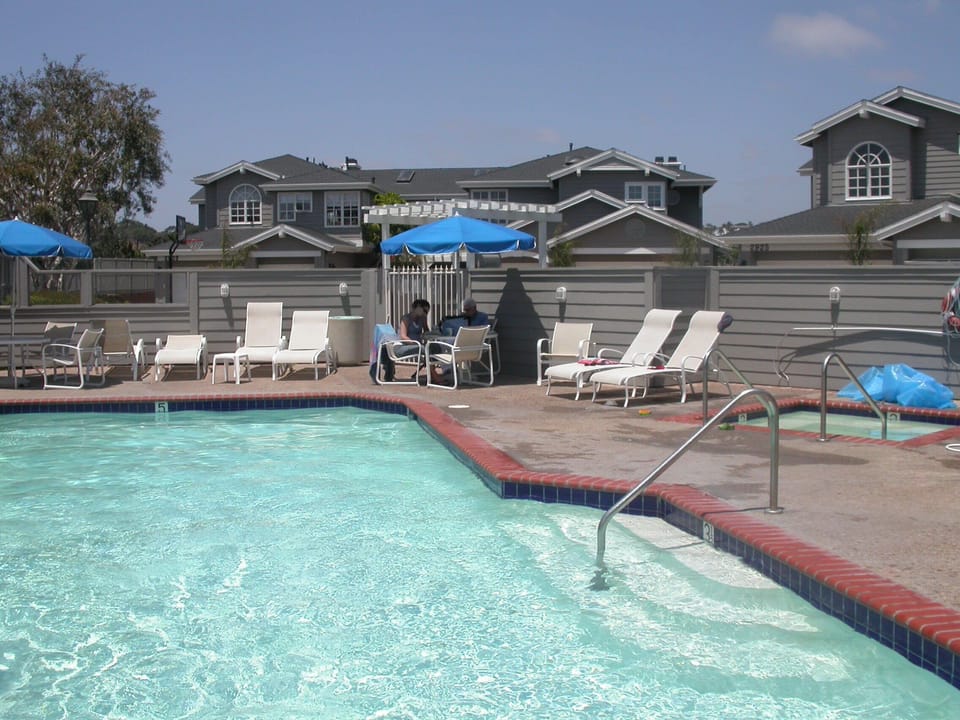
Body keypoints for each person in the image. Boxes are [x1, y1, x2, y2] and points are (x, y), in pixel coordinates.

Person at [370, 298, 430, 383]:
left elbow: (426, 331)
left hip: (415, 346)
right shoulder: (406, 319)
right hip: (401, 347)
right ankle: (434, 377)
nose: (425, 313)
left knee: (431, 349)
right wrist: (417, 343)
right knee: (427, 350)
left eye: (427, 312)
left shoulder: (422, 319)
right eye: (424, 311)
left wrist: (427, 335)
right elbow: (403, 337)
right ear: (417, 308)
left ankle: (434, 375)